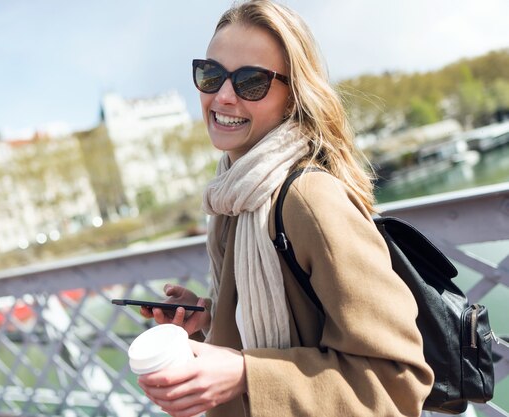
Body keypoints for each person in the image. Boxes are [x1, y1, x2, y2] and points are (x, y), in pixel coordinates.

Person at [138, 1, 434, 416]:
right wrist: (211, 321)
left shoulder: (310, 200)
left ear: (294, 95)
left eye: (251, 82)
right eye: (211, 75)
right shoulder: (234, 198)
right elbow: (283, 328)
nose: (223, 96)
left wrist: (245, 373)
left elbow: (395, 383)